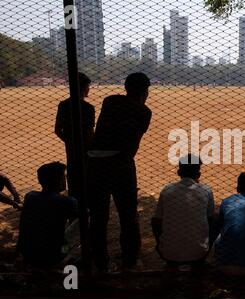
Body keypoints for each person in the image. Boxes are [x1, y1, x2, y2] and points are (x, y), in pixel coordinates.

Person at [88, 72, 152, 272]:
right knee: (128, 214)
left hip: (95, 162)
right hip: (120, 163)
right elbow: (132, 144)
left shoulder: (110, 101)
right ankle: (130, 260)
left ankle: (100, 262)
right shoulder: (144, 112)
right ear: (146, 91)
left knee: (98, 215)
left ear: (125, 87)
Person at [152, 154, 215, 266]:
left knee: (155, 220)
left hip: (169, 253)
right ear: (198, 173)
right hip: (199, 253)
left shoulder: (167, 190)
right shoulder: (206, 190)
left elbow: (157, 221)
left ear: (178, 172)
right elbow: (210, 219)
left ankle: (169, 257)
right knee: (215, 219)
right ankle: (199, 259)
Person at [17, 162, 78, 269]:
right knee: (85, 218)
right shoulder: (67, 201)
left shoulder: (30, 196)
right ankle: (65, 253)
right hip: (53, 256)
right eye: (63, 177)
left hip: (26, 253)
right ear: (60, 181)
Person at [55, 72, 95, 200]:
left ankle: (75, 206)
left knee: (73, 176)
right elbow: (89, 133)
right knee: (88, 180)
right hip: (86, 150)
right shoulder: (88, 108)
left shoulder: (63, 105)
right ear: (83, 88)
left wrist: (69, 141)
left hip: (71, 149)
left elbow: (57, 130)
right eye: (88, 86)